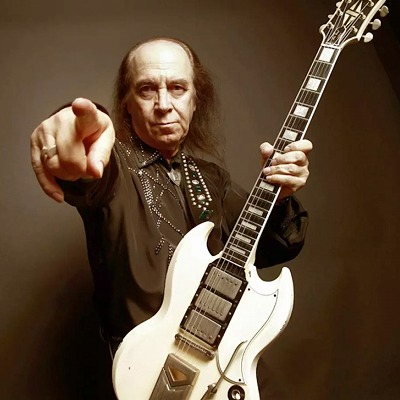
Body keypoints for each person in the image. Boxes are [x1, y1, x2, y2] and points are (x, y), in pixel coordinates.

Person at [30, 37, 312, 393]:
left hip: (222, 364)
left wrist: (280, 197)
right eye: (147, 89)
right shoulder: (114, 166)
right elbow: (87, 169)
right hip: (147, 374)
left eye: (178, 88)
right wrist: (75, 131)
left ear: (195, 101)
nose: (163, 105)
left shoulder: (213, 178)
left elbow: (271, 249)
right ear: (127, 104)